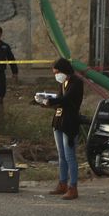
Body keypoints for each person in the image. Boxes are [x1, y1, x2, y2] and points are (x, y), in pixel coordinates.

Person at [38, 58, 84, 201]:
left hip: (69, 122)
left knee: (70, 156)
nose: (56, 75)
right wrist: (45, 101)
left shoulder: (76, 82)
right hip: (59, 120)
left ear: (64, 70)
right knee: (61, 155)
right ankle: (62, 183)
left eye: (57, 72)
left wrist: (50, 101)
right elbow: (59, 98)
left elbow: (66, 99)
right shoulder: (63, 82)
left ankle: (73, 187)